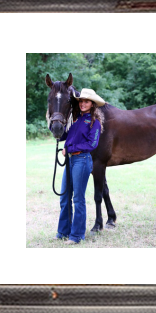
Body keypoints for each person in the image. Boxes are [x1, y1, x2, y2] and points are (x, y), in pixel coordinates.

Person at [54, 89, 105, 244]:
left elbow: (91, 144)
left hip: (82, 160)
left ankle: (76, 236)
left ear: (92, 104)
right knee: (64, 197)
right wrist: (55, 123)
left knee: (78, 199)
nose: (83, 104)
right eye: (81, 101)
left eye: (86, 101)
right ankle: (63, 231)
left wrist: (70, 148)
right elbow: (64, 135)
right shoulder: (75, 119)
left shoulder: (94, 123)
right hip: (70, 161)